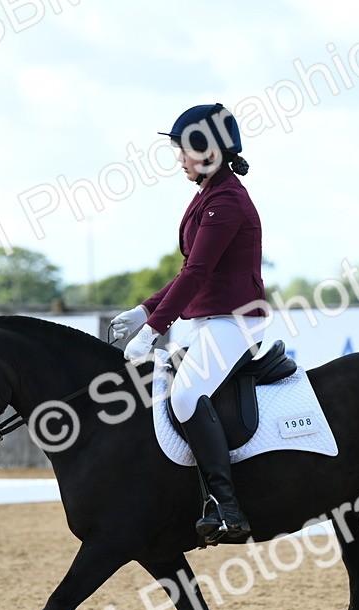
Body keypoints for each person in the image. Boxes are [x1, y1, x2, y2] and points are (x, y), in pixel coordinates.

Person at [110, 102, 268, 545]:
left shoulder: (227, 201)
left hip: (234, 321)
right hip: (207, 319)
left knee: (186, 396)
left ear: (208, 150)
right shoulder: (208, 196)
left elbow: (197, 273)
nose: (179, 158)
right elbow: (189, 272)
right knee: (166, 388)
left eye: (184, 149)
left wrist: (153, 329)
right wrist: (144, 310)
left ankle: (226, 506)